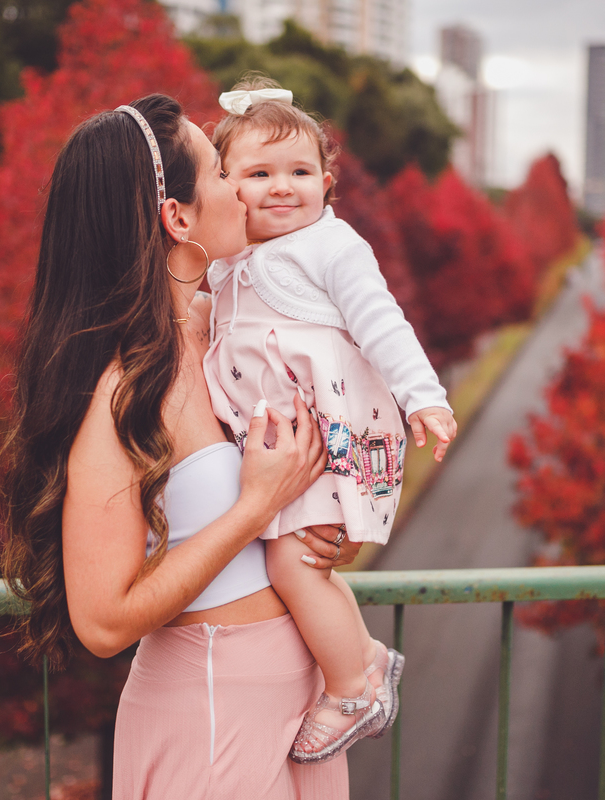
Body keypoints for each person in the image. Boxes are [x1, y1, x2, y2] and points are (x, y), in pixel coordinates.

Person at [0, 94, 358, 799]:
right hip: (212, 717)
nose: (242, 187)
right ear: (178, 217)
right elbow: (102, 622)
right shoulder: (119, 393)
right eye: (222, 173)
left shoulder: (219, 331)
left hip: (293, 704)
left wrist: (315, 520)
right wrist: (254, 509)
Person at [204, 78, 459, 764]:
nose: (283, 188)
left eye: (300, 172)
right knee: (298, 560)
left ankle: (354, 687)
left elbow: (382, 322)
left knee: (297, 559)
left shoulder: (330, 246)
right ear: (223, 184)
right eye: (260, 174)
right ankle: (366, 654)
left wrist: (423, 396)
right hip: (280, 444)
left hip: (330, 439)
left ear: (327, 184)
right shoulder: (225, 261)